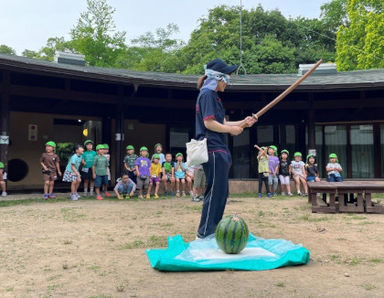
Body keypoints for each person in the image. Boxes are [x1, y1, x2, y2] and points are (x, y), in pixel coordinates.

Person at [195, 58, 257, 239]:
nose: (228, 82)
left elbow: (221, 123)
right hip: (212, 148)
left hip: (219, 147)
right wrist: (231, 130)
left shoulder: (213, 96)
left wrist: (244, 123)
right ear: (218, 77)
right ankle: (205, 232)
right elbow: (209, 123)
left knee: (221, 192)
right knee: (215, 191)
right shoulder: (206, 94)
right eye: (227, 77)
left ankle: (212, 230)